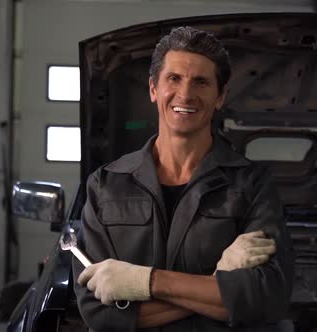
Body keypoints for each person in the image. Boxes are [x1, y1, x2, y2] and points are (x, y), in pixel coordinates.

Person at [72, 26, 294, 331]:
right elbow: (100, 313)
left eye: (201, 82)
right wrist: (216, 286)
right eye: (174, 79)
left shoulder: (252, 186)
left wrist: (142, 282)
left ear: (220, 96)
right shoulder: (105, 185)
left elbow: (264, 298)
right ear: (153, 89)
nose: (186, 94)